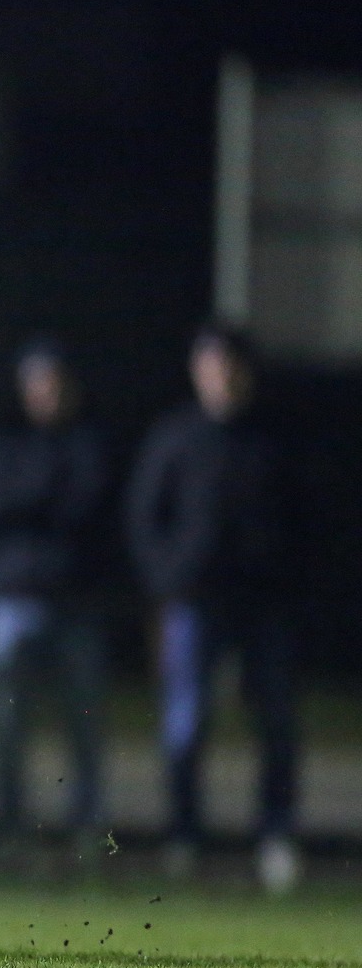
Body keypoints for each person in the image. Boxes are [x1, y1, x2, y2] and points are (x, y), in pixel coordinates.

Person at [126, 325, 297, 892]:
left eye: (231, 364)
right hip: (194, 602)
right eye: (212, 364)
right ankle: (184, 835)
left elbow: (311, 519)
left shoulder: (273, 438)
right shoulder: (176, 436)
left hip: (263, 602)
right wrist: (168, 579)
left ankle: (275, 836)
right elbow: (144, 517)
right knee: (185, 723)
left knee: (275, 721)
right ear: (197, 371)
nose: (222, 375)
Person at [0, 338, 110, 851]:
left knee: (83, 725)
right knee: (7, 725)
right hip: (10, 601)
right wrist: (40, 494)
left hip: (74, 603)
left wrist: (26, 498)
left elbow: (86, 507)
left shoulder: (87, 442)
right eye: (38, 382)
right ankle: (9, 826)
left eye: (55, 382)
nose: (47, 393)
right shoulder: (0, 442)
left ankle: (88, 827)